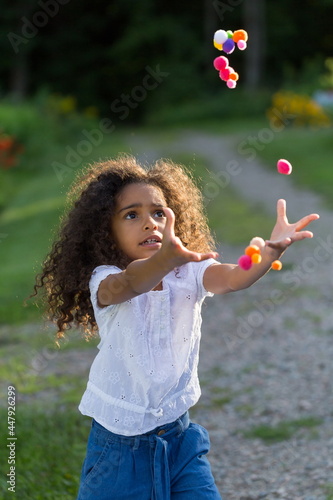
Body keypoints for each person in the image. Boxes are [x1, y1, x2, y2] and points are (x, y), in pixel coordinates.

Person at [32, 154, 319, 499]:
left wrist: (269, 255)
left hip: (180, 439)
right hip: (120, 450)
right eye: (132, 215)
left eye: (158, 213)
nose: (150, 223)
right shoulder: (105, 279)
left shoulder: (189, 273)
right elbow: (129, 284)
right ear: (105, 230)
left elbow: (232, 278)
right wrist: (163, 258)